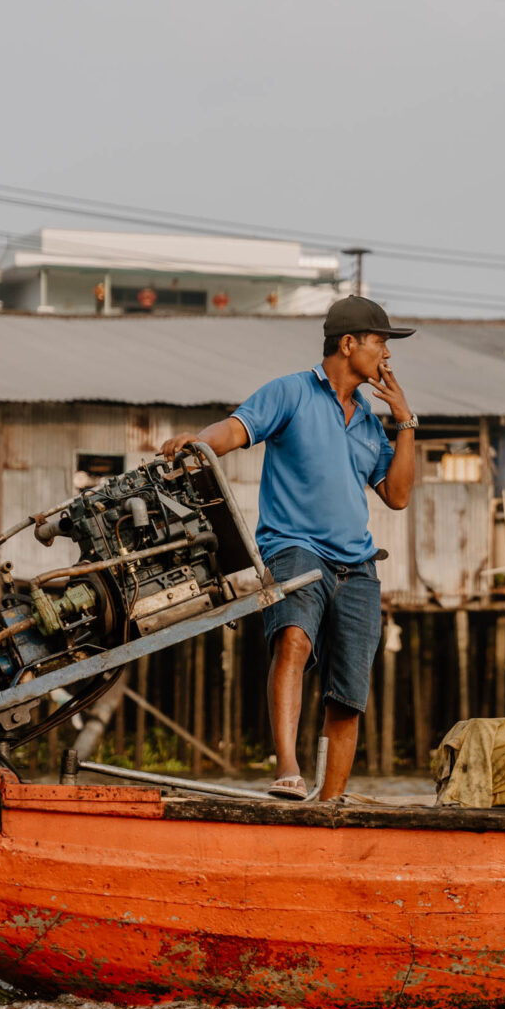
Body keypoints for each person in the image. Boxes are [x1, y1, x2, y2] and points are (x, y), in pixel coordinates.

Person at [159, 295, 417, 801]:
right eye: (380, 343)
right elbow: (236, 429)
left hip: (357, 564)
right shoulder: (291, 392)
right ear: (348, 344)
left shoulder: (368, 421)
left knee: (349, 692)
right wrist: (200, 444)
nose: (387, 355)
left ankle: (329, 805)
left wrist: (405, 420)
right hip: (294, 548)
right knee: (294, 641)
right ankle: (288, 771)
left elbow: (399, 494)